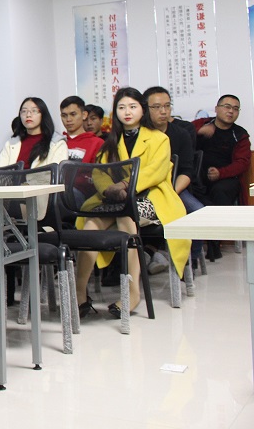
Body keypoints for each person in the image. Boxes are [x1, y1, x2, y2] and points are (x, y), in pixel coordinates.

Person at [74, 87, 187, 319]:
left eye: (132, 107)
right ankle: (79, 292)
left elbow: (156, 172)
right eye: (122, 107)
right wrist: (109, 189)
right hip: (115, 199)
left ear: (142, 110)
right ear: (115, 111)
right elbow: (99, 173)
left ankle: (133, 293)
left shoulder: (159, 138)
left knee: (126, 214)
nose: (127, 112)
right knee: (91, 224)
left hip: (151, 198)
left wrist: (125, 185)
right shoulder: (110, 142)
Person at [143, 86, 203, 272]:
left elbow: (187, 171)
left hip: (174, 187)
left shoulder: (181, 133)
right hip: (145, 189)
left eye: (167, 106)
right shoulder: (141, 134)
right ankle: (142, 255)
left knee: (197, 212)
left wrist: (170, 193)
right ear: (145, 109)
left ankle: (189, 261)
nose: (163, 111)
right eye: (157, 107)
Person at [192, 94, 251, 260]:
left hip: (226, 179)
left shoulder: (240, 134)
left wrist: (221, 173)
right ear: (217, 109)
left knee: (220, 191)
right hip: (197, 177)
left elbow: (242, 163)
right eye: (227, 107)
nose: (231, 111)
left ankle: (215, 242)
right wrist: (198, 132)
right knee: (192, 190)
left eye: (235, 109)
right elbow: (181, 136)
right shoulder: (201, 124)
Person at [0, 97, 67, 169]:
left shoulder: (57, 144)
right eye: (24, 111)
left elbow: (56, 172)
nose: (28, 115)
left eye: (34, 111)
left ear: (43, 114)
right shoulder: (11, 143)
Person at [60, 95, 103, 163]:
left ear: (84, 115)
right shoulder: (57, 143)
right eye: (64, 115)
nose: (68, 119)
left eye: (73, 114)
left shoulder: (97, 143)